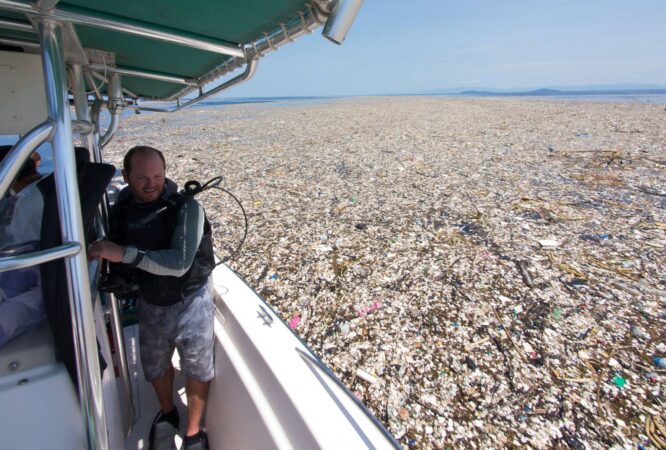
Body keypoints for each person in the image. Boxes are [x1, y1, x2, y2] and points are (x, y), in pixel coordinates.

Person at [88, 146, 215, 450]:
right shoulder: (122, 207)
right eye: (142, 177)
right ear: (126, 176)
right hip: (150, 300)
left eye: (158, 176)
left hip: (190, 300)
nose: (151, 183)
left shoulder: (186, 209)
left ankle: (194, 431)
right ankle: (168, 412)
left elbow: (180, 262)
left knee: (197, 366)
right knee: (155, 365)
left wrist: (123, 254)